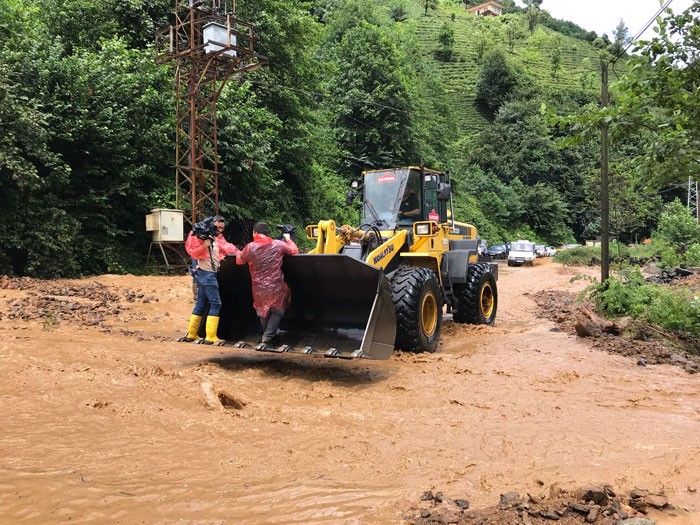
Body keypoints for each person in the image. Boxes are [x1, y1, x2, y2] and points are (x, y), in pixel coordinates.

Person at [236, 221, 299, 345]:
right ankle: (268, 336)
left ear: (254, 232)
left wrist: (237, 251)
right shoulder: (278, 244)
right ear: (267, 233)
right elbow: (294, 250)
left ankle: (268, 335)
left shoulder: (249, 247)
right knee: (278, 310)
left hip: (258, 286)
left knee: (262, 310)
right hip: (276, 284)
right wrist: (288, 239)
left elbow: (239, 261)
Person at [179, 215, 238, 345]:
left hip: (203, 273)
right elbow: (195, 253)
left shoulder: (211, 238)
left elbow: (223, 248)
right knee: (216, 303)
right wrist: (205, 246)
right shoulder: (204, 240)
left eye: (222, 228)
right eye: (218, 227)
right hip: (208, 273)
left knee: (200, 303)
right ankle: (211, 336)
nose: (220, 230)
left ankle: (192, 333)